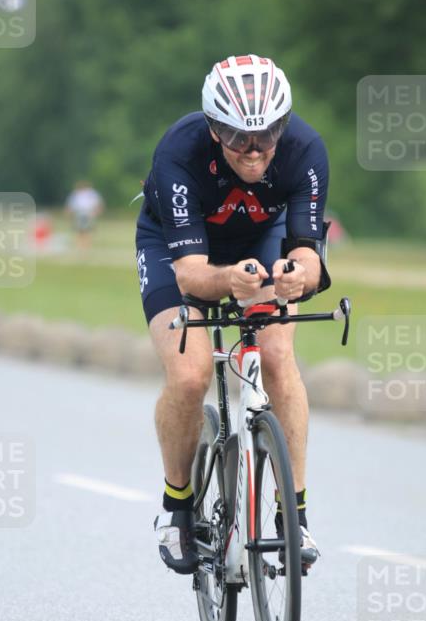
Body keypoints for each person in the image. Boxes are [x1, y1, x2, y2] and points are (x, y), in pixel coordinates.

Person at [136, 54, 331, 574]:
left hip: (260, 238)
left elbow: (309, 252)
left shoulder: (306, 150)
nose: (252, 150)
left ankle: (296, 515)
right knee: (190, 372)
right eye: (236, 136)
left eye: (265, 136)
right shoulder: (179, 152)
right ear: (212, 129)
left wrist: (297, 275)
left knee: (276, 352)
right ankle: (177, 507)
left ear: (282, 128)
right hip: (179, 249)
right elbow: (192, 275)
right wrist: (228, 281)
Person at [65, 180, 104, 248]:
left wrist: (96, 212)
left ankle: (86, 245)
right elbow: (71, 205)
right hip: (79, 213)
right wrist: (69, 213)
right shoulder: (76, 194)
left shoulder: (92, 194)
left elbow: (98, 204)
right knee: (79, 230)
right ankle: (80, 245)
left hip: (89, 213)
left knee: (87, 230)